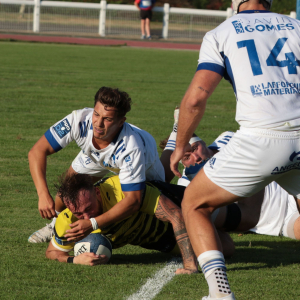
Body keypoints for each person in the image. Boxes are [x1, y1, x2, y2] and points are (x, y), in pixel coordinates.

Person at [170, 1, 300, 298]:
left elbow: (195, 99)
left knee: (194, 204)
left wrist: (180, 146)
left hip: (262, 138)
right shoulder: (296, 26)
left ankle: (220, 293)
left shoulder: (221, 32)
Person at [28, 87, 165, 243]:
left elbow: (133, 201)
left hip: (143, 162)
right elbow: (36, 151)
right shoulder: (78, 120)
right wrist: (43, 194)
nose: (98, 123)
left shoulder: (131, 147)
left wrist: (93, 223)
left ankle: (174, 140)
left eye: (107, 119)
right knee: (68, 188)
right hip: (96, 156)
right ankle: (54, 225)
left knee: (159, 202)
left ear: (121, 122)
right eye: (96, 114)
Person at [45, 173, 235, 271]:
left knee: (235, 217)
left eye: (89, 208)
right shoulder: (68, 221)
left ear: (96, 192)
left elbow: (175, 215)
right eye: (79, 213)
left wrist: (190, 266)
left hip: (172, 201)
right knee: (226, 248)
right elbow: (52, 252)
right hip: (161, 238)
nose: (85, 217)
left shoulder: (122, 190)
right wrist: (74, 259)